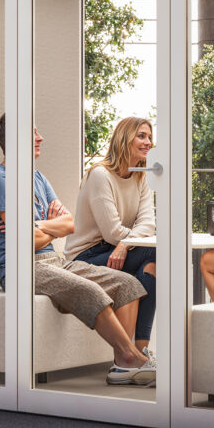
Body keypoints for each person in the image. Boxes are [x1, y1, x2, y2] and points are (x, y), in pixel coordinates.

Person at [0, 113, 155, 386]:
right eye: (33, 132)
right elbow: (22, 243)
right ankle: (130, 358)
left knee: (128, 285)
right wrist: (51, 227)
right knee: (91, 290)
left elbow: (69, 224)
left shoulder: (38, 178)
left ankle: (123, 367)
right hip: (19, 268)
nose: (40, 138)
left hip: (55, 260)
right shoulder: (1, 181)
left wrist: (38, 226)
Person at [65, 117, 157, 356]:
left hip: (118, 249)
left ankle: (139, 353)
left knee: (152, 265)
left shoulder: (141, 176)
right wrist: (125, 241)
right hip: (86, 256)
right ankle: (129, 358)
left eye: (149, 137)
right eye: (141, 136)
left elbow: (148, 224)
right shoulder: (100, 175)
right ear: (124, 139)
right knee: (154, 252)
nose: (148, 142)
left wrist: (125, 244)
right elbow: (111, 231)